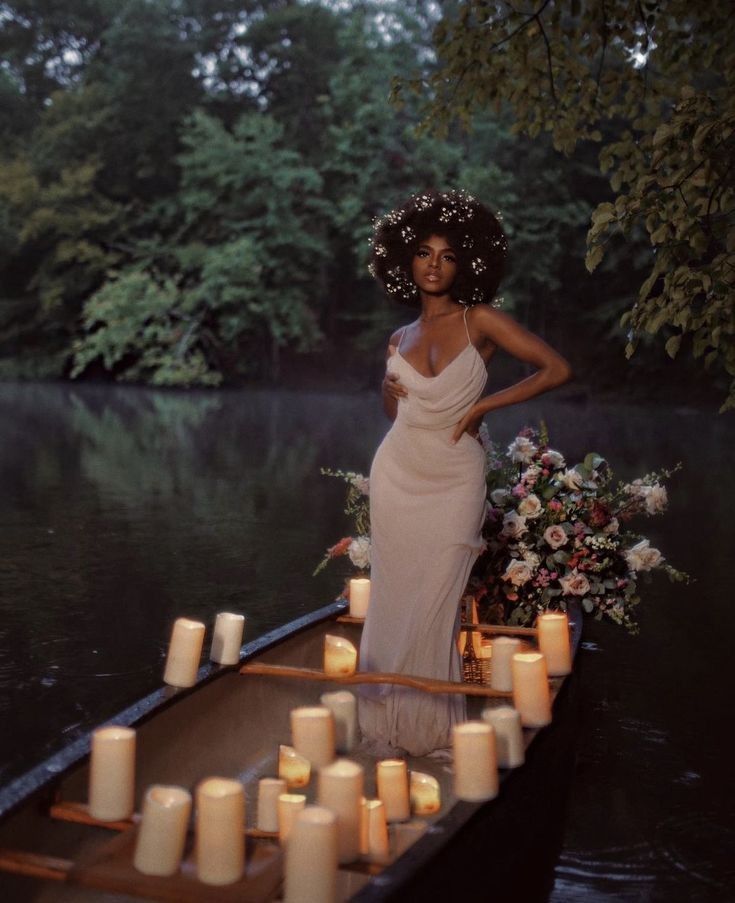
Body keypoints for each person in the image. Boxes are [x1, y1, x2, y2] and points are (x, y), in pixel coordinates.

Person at [358, 189, 572, 757]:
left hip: (454, 478)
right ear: (406, 260)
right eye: (424, 253)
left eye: (447, 255)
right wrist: (385, 390)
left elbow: (556, 369)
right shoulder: (398, 339)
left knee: (436, 598)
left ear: (465, 263)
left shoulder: (481, 320)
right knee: (395, 597)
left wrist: (482, 406)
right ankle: (385, 725)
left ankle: (427, 730)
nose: (433, 264)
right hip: (397, 471)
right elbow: (398, 414)